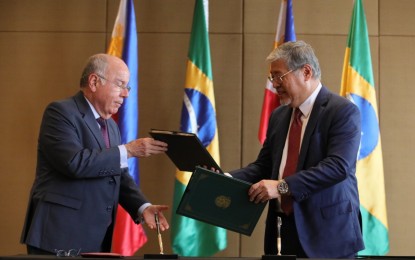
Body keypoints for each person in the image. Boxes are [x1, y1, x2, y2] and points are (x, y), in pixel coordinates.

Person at [20, 53, 169, 255]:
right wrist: (129, 150)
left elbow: (117, 175)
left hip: (95, 238)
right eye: (120, 84)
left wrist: (143, 207)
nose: (126, 94)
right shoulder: (61, 113)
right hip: (58, 236)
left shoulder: (112, 126)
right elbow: (74, 162)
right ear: (94, 81)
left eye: (128, 87)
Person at [228, 41, 364, 258]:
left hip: (328, 236)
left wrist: (281, 187)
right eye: (271, 78)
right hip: (283, 233)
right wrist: (223, 178)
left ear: (306, 72)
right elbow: (264, 167)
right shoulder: (279, 116)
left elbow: (338, 167)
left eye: (278, 76)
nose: (273, 84)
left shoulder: (342, 111)